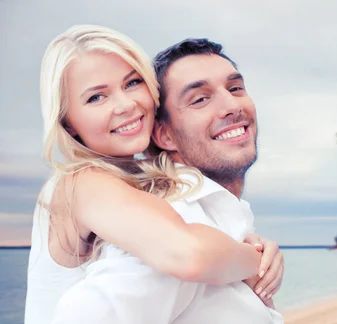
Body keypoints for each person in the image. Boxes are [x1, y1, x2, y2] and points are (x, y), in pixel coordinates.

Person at [25, 25, 283, 324]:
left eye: (133, 83)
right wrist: (255, 259)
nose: (126, 105)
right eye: (96, 97)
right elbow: (188, 254)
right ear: (68, 122)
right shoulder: (82, 182)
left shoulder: (144, 188)